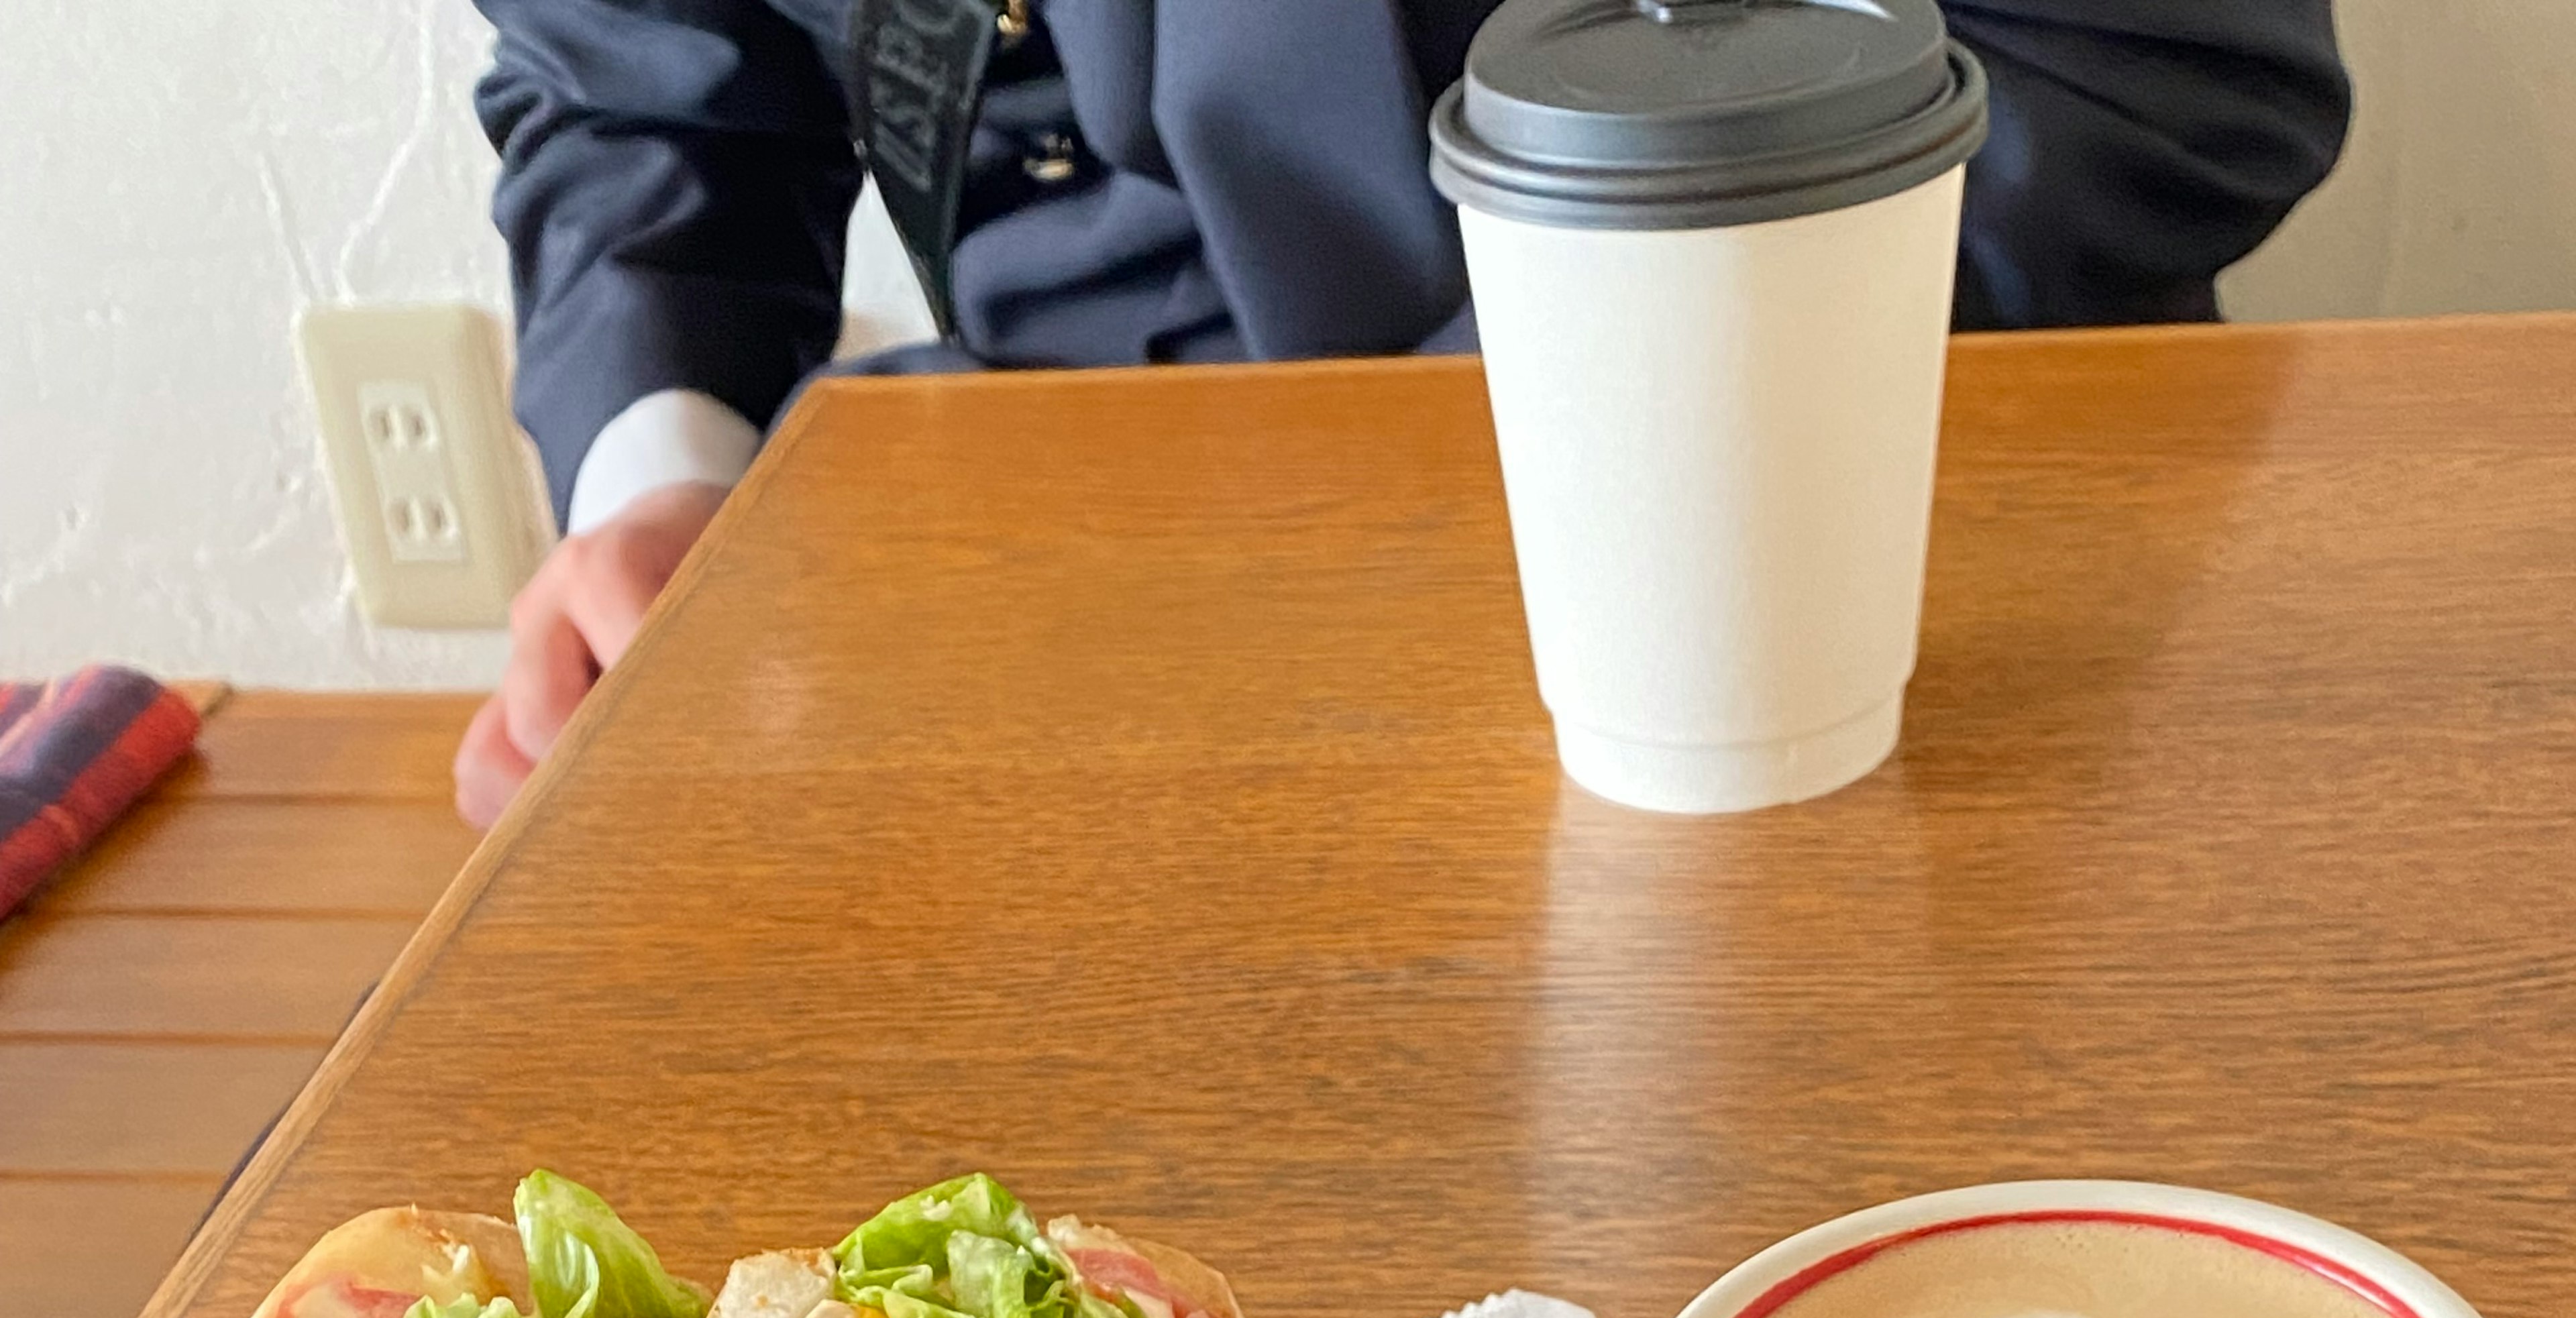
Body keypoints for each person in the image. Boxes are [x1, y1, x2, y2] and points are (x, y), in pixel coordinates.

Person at [455, 0, 2351, 828]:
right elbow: (639, 89)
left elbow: (2161, 68)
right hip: (1023, 632)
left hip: (1799, 594)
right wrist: (661, 467)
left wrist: (1612, 422)